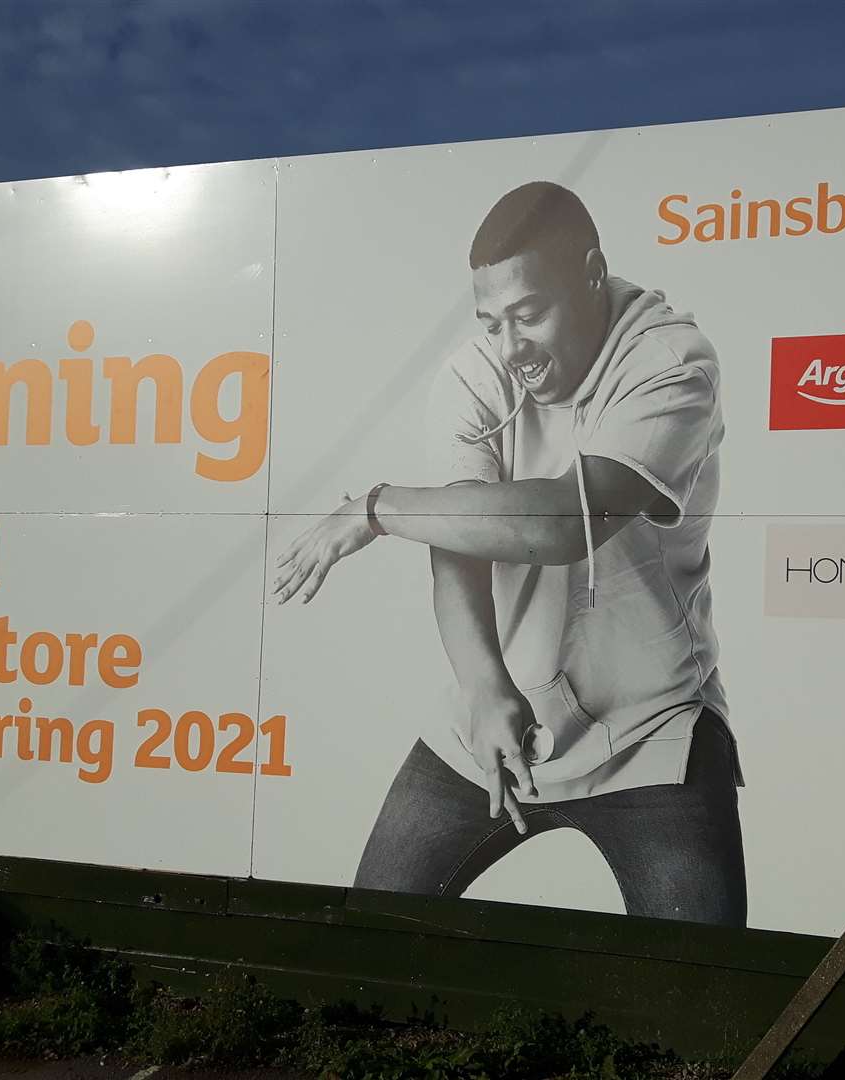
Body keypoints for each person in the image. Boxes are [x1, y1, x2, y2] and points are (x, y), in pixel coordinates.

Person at [272, 181, 743, 925]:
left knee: (707, 993)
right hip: (494, 719)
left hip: (651, 729)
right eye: (492, 320)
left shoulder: (671, 362)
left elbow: (566, 523)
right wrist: (485, 687)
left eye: (529, 315)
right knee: (363, 944)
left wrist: (381, 507)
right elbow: (458, 542)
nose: (510, 344)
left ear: (591, 273)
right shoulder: (474, 371)